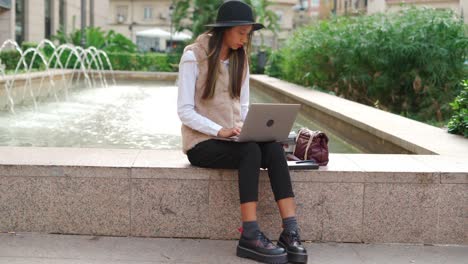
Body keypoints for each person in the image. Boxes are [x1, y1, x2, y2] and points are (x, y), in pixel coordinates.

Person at [177, 1, 307, 263]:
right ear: (224, 30)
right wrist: (220, 130)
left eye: (248, 34)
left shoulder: (240, 59)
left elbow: (244, 107)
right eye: (241, 33)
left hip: (234, 139)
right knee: (249, 151)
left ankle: (290, 231)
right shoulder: (194, 56)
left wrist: (255, 129)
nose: (244, 39)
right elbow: (185, 111)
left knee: (271, 148)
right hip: (202, 143)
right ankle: (249, 235)